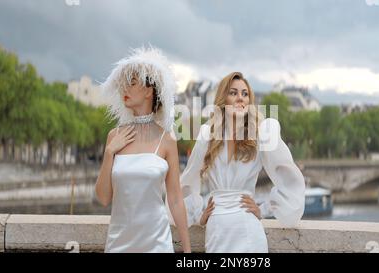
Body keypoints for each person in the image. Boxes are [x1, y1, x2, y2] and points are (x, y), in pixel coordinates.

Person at [180, 72, 305, 252]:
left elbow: (289, 179)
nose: (240, 98)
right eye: (233, 93)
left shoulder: (261, 134)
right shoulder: (207, 136)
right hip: (216, 232)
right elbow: (188, 180)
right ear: (223, 99)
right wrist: (199, 215)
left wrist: (264, 209)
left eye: (245, 94)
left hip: (248, 233)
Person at [95, 47, 191, 253]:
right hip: (118, 243)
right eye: (123, 85)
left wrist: (188, 251)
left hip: (157, 243)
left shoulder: (167, 141)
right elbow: (103, 198)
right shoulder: (114, 137)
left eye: (131, 83)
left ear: (149, 91)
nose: (124, 90)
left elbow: (175, 199)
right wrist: (109, 152)